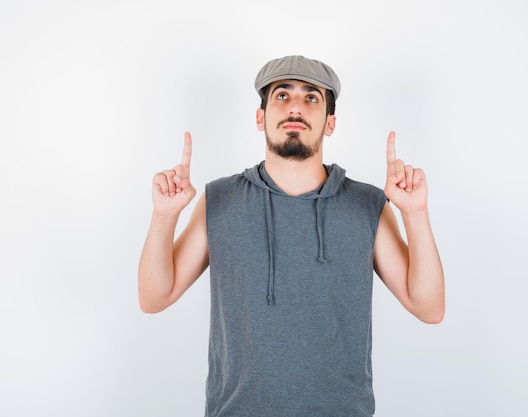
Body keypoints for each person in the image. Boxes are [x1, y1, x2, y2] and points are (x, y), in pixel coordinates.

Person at [138, 55, 445, 417]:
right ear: (260, 117)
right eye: (282, 95)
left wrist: (415, 214)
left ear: (330, 123)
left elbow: (429, 308)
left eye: (311, 97)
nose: (296, 106)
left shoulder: (367, 205)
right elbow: (154, 298)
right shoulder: (220, 200)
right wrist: (164, 217)